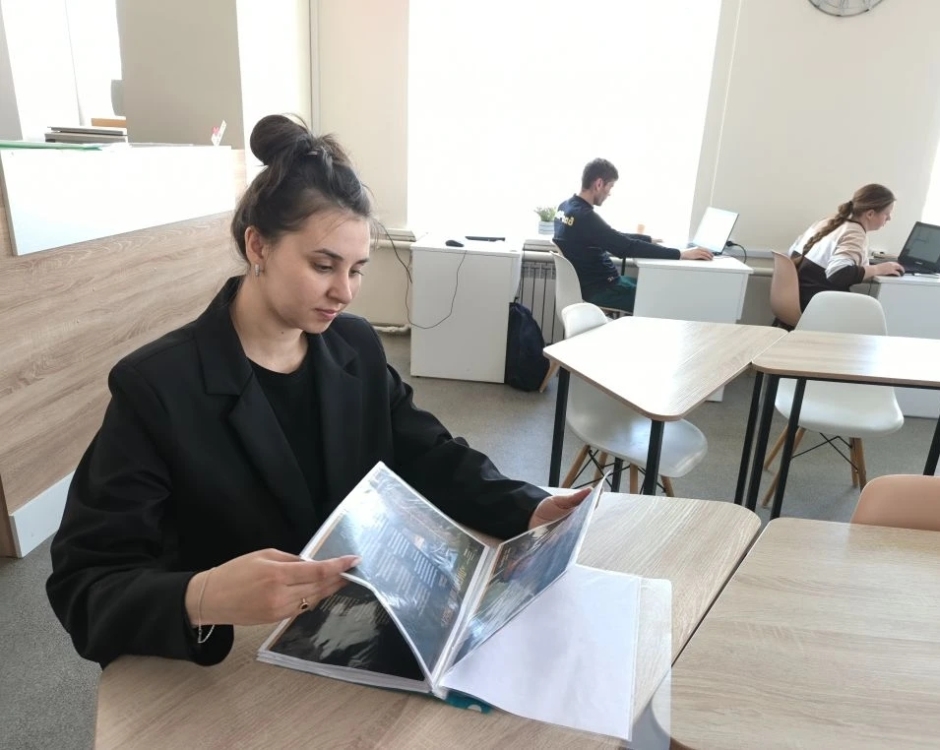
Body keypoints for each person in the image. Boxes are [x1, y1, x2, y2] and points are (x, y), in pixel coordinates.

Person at [46, 114, 588, 668]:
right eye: (324, 265)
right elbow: (84, 586)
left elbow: (427, 454)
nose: (345, 292)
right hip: (236, 663)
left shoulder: (354, 346)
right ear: (258, 246)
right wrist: (203, 595)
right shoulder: (158, 386)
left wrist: (527, 507)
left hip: (354, 631)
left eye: (357, 270)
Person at [552, 158, 713, 313]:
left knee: (657, 287)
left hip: (596, 285)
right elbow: (625, 247)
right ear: (599, 184)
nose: (609, 193)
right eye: (610, 186)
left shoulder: (565, 207)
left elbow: (611, 236)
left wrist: (647, 239)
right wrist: (680, 254)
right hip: (604, 290)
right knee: (665, 298)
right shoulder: (586, 217)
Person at [790, 183, 904, 311]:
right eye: (887, 214)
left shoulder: (828, 221)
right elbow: (838, 273)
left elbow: (793, 254)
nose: (889, 218)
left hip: (798, 299)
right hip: (816, 307)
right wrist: (879, 269)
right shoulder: (854, 233)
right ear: (870, 214)